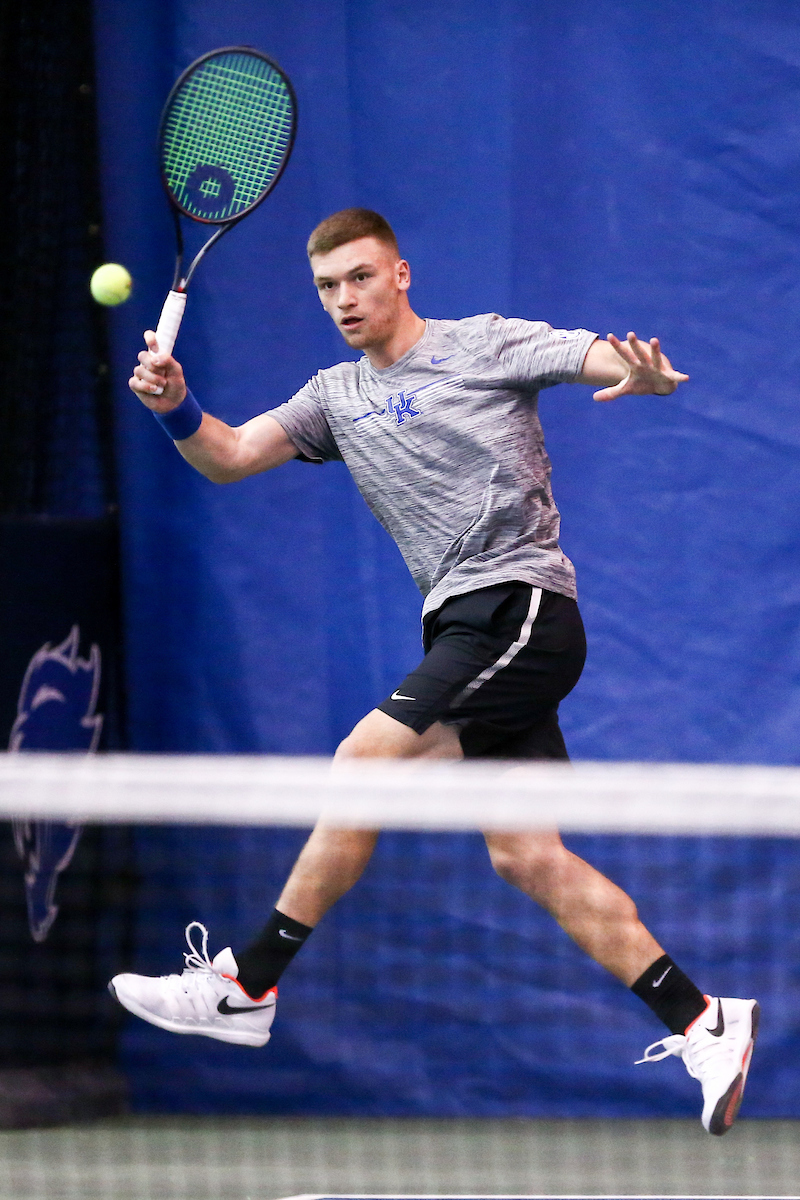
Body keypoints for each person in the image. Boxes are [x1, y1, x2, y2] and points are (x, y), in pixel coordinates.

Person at [110, 208, 758, 1135]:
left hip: (519, 609)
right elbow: (231, 455)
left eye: (361, 278)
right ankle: (705, 1022)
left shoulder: (483, 345)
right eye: (329, 287)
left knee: (363, 763)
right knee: (527, 855)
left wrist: (638, 374)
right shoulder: (333, 397)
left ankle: (247, 983)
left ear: (401, 274)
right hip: (457, 626)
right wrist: (174, 404)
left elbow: (593, 358)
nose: (345, 300)